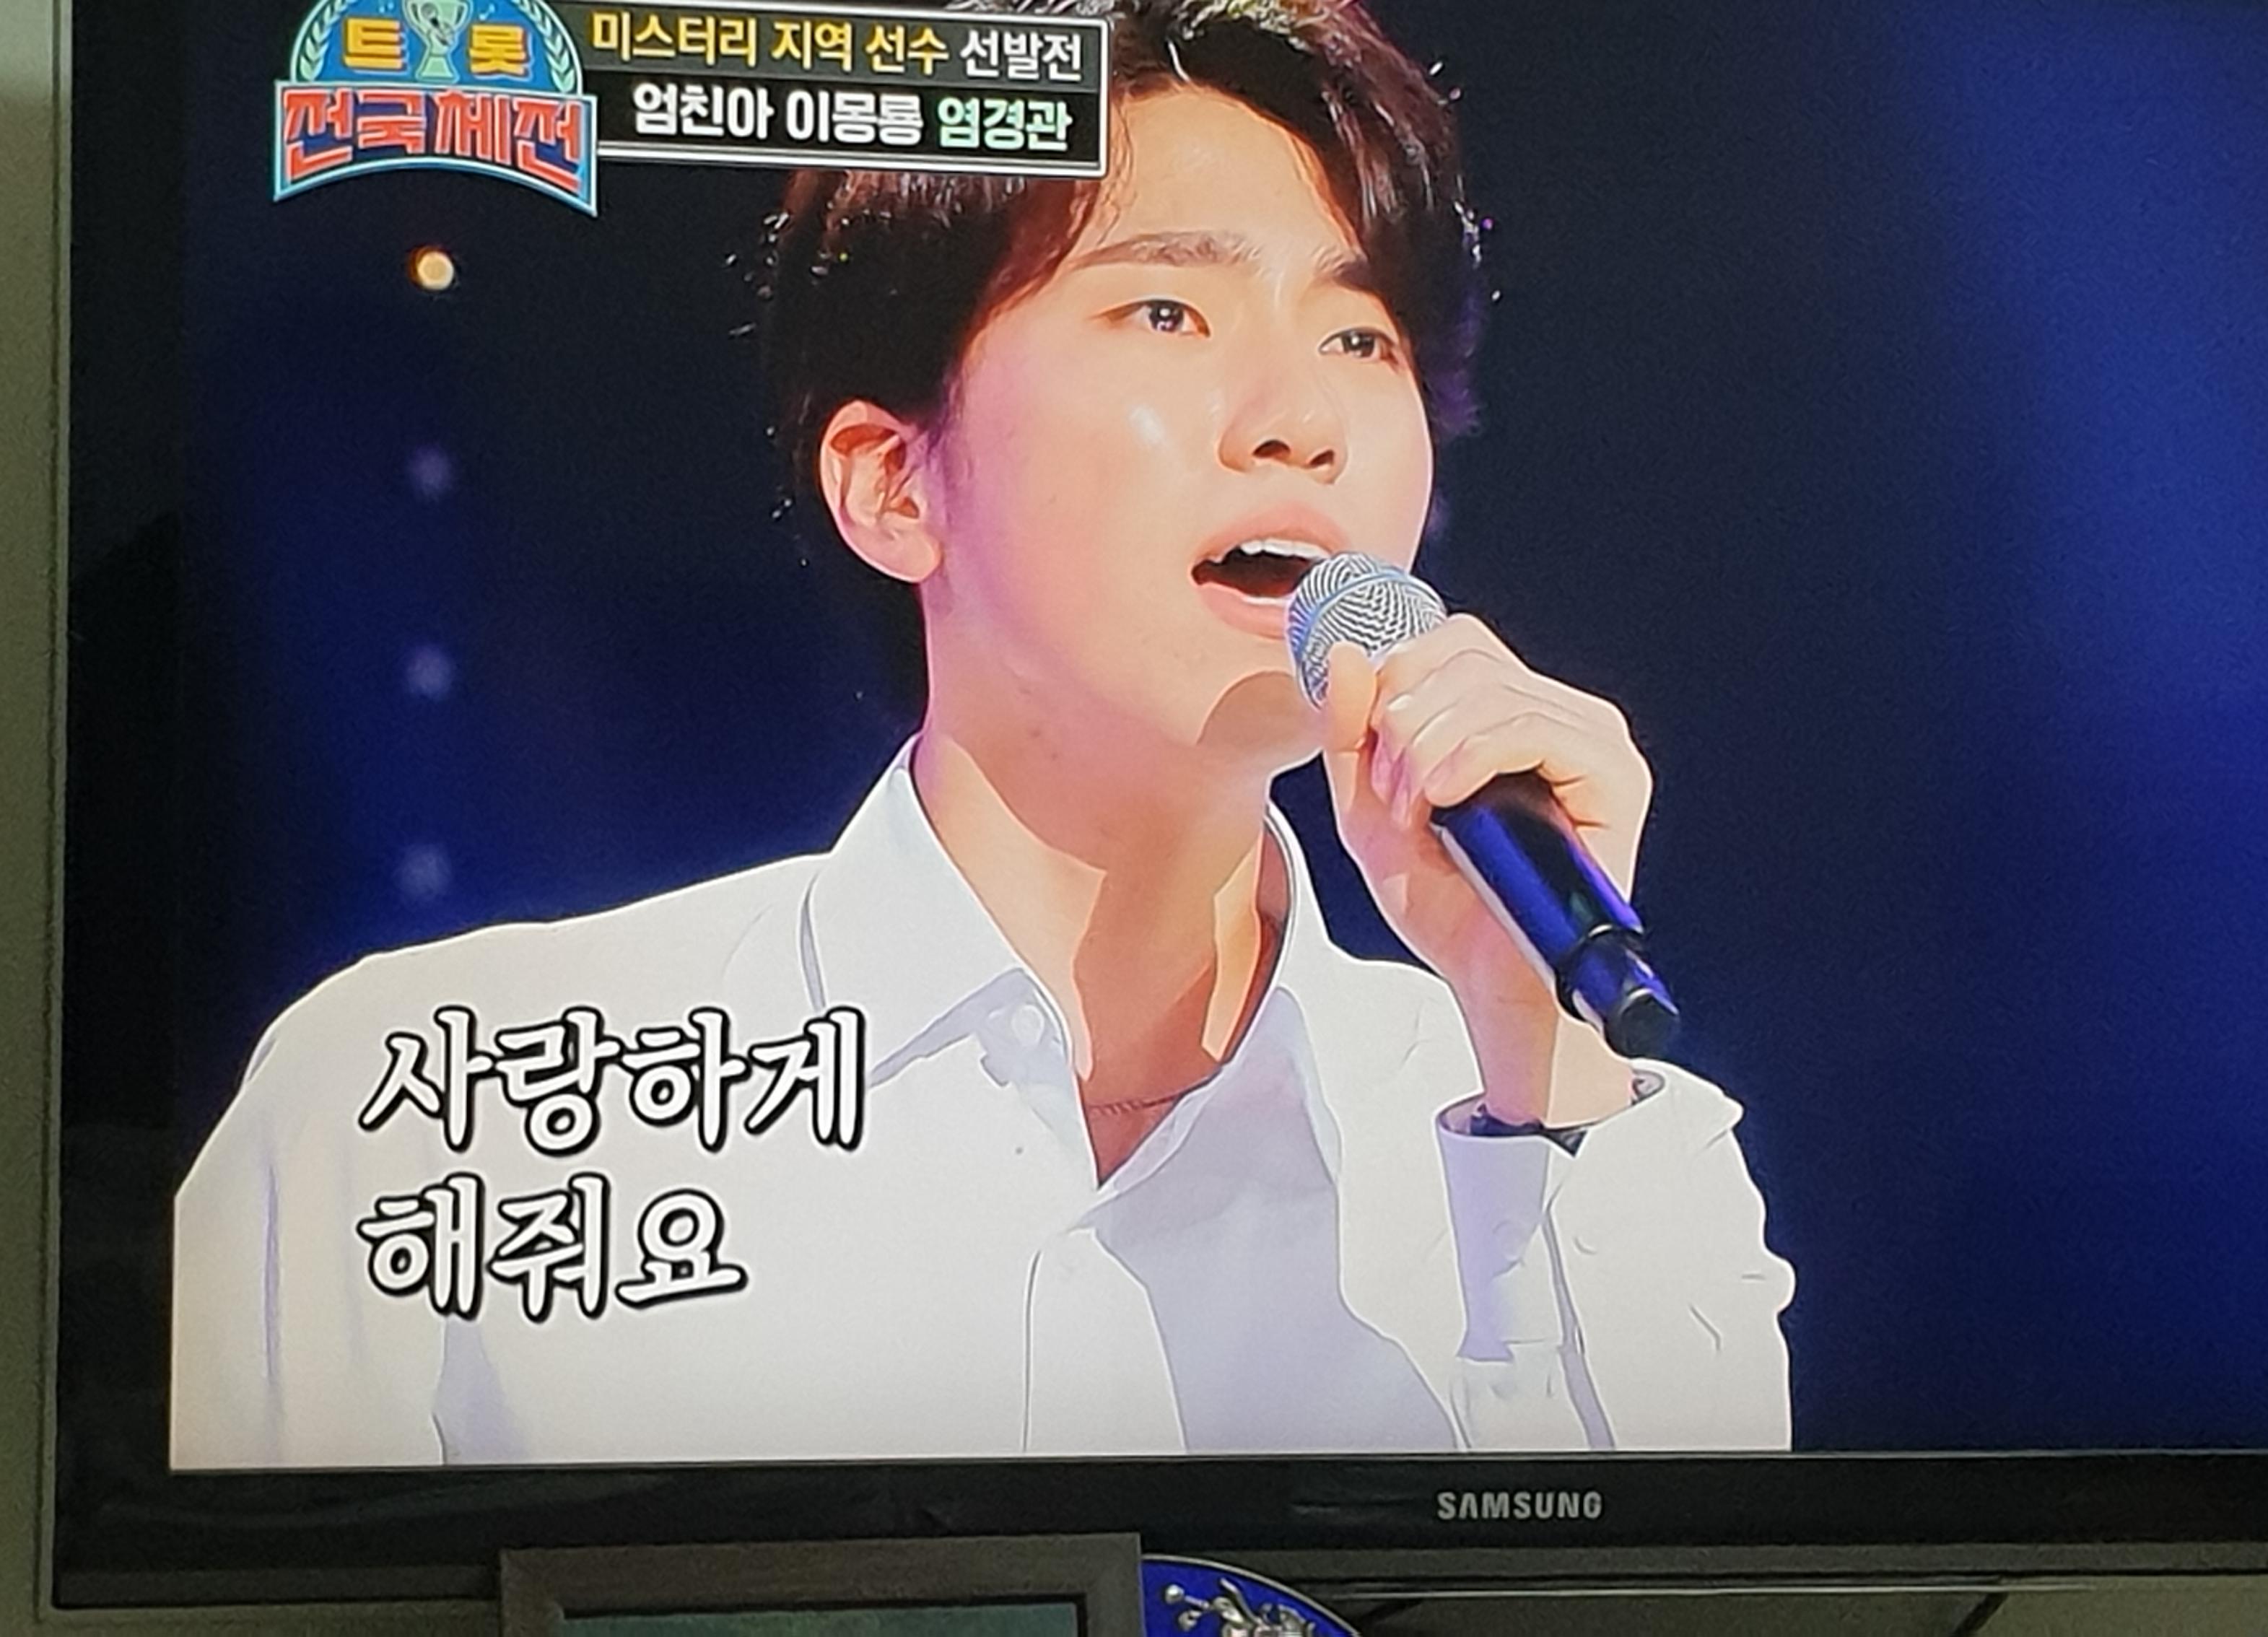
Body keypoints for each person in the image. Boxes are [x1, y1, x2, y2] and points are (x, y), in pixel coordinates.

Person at [170, 0, 1793, 1467]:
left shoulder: (1577, 1136)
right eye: (1166, 312)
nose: (1303, 419)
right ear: (895, 484)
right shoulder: (444, 1103)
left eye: (1359, 337)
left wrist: (1541, 1058)